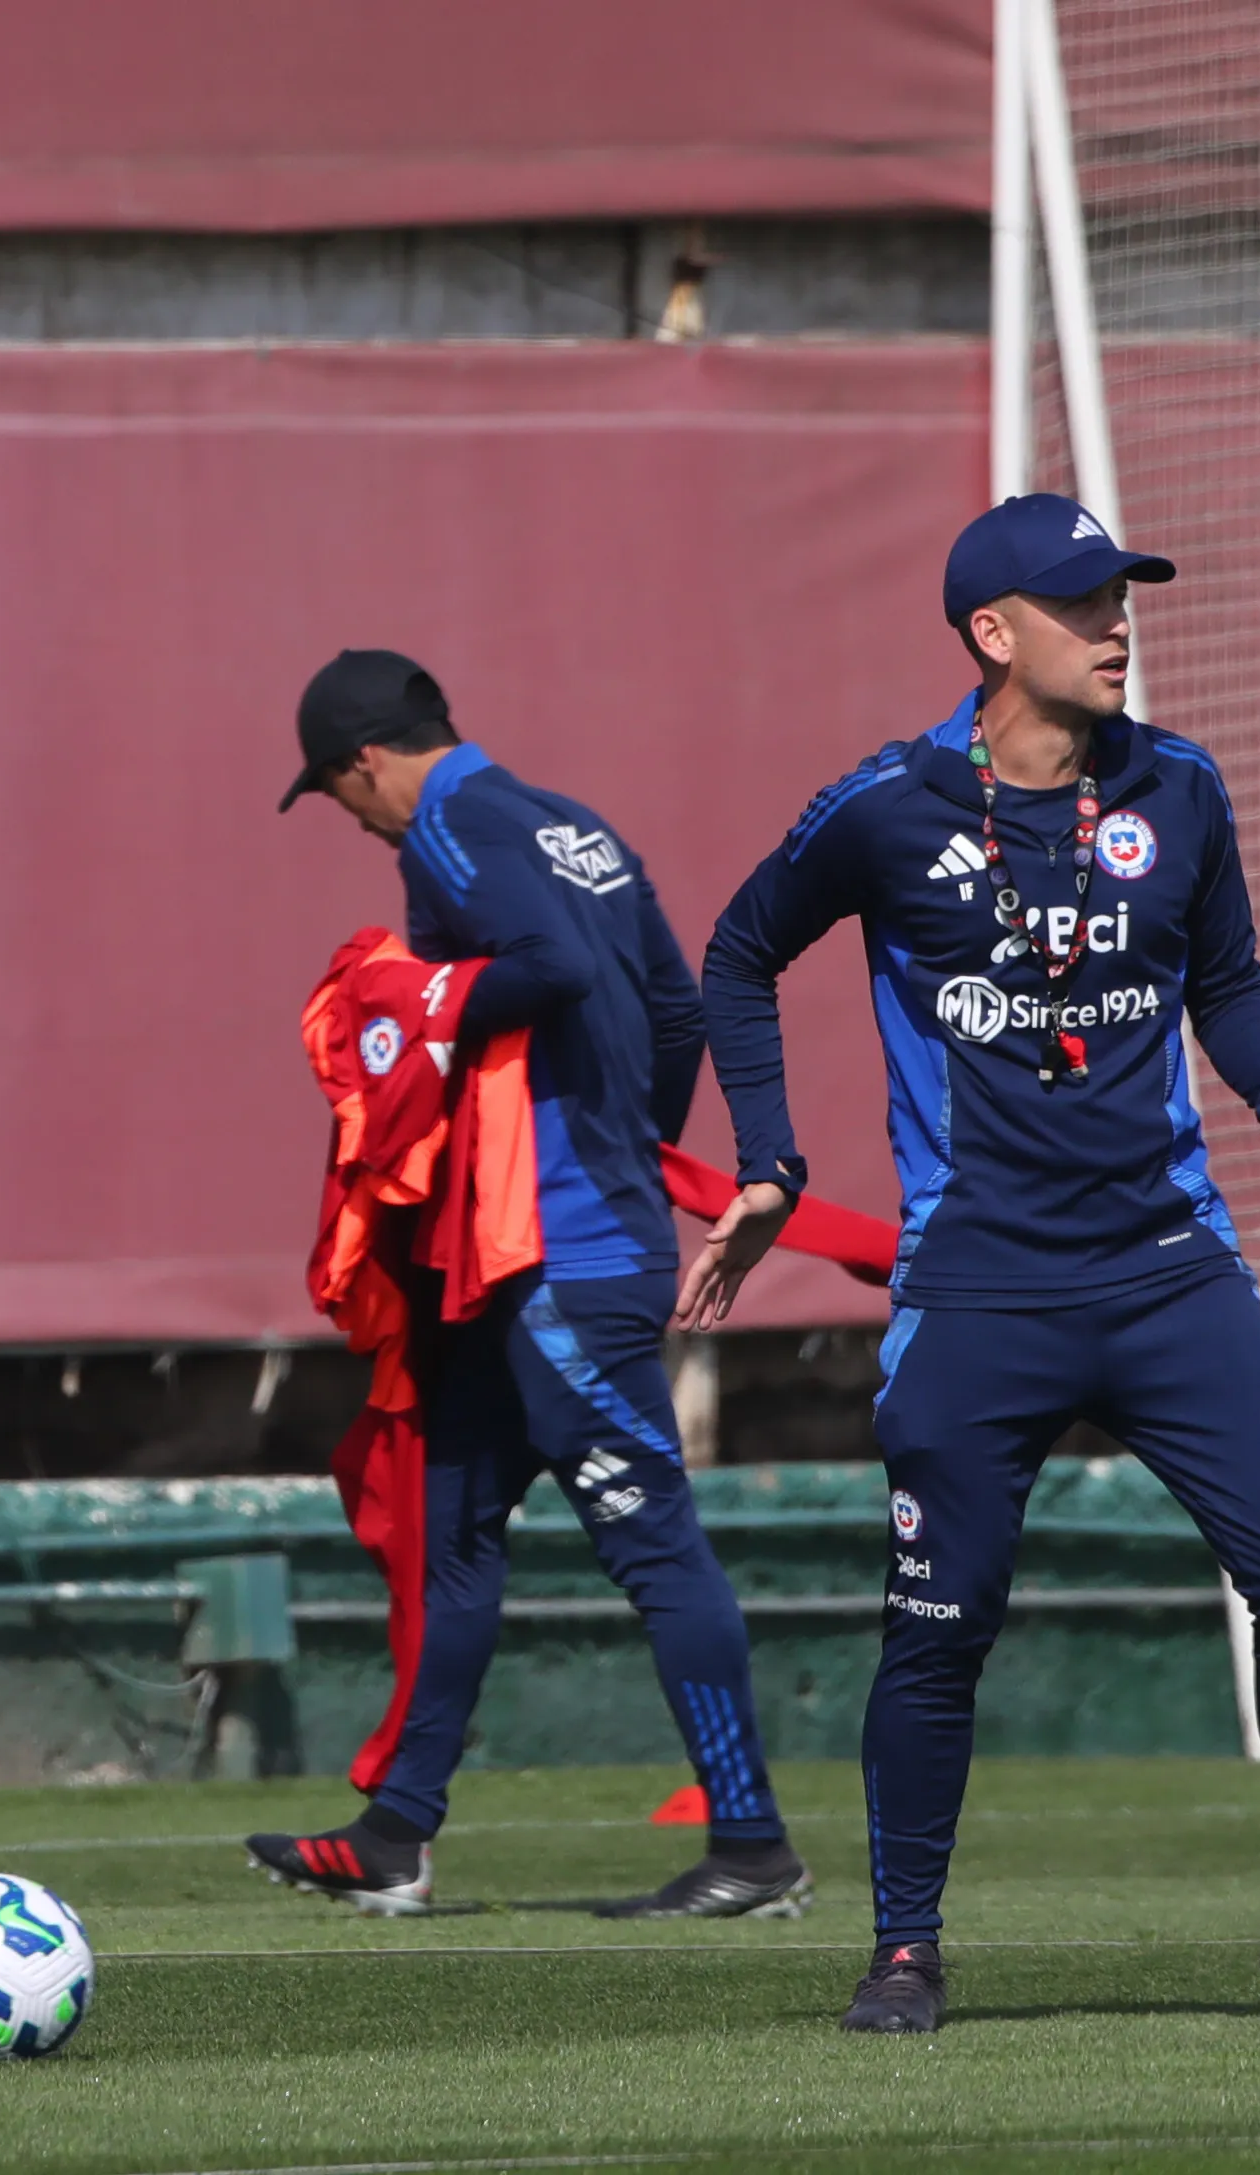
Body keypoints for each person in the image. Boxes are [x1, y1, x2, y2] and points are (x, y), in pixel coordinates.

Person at [678, 496, 1260, 2033]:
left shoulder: (1179, 786)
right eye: (1082, 602)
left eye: (1122, 594)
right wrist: (771, 1164)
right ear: (993, 635)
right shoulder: (882, 805)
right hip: (978, 1286)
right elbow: (735, 952)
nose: (1117, 622)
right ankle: (905, 1948)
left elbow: (1231, 984)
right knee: (938, 1629)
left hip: (1167, 1270)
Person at [255, 649, 807, 1920]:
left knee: (655, 1550)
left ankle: (754, 1851)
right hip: (531, 1256)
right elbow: (671, 1010)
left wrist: (426, 996)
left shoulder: (445, 827)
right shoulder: (574, 825)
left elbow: (546, 965)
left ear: (365, 763)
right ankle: (394, 1838)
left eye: (341, 797)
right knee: (453, 1539)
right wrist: (629, 1140)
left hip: (561, 1262)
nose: (353, 819)